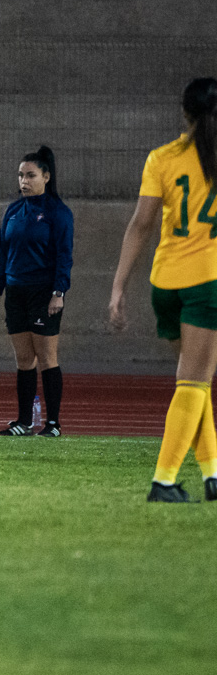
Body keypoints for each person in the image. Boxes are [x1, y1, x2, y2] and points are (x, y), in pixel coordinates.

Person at [109, 78, 217, 503]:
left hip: (165, 283)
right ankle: (165, 481)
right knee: (194, 382)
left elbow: (141, 224)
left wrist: (118, 286)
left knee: (197, 378)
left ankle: (212, 473)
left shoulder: (164, 157)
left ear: (184, 114)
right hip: (208, 283)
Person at [0, 146, 73, 437]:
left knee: (47, 357)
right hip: (16, 293)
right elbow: (2, 254)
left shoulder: (58, 213)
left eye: (31, 175)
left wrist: (58, 292)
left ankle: (53, 424)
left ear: (46, 177)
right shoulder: (13, 210)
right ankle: (23, 422)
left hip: (43, 294)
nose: (24, 181)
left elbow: (64, 255)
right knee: (24, 360)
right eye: (21, 175)